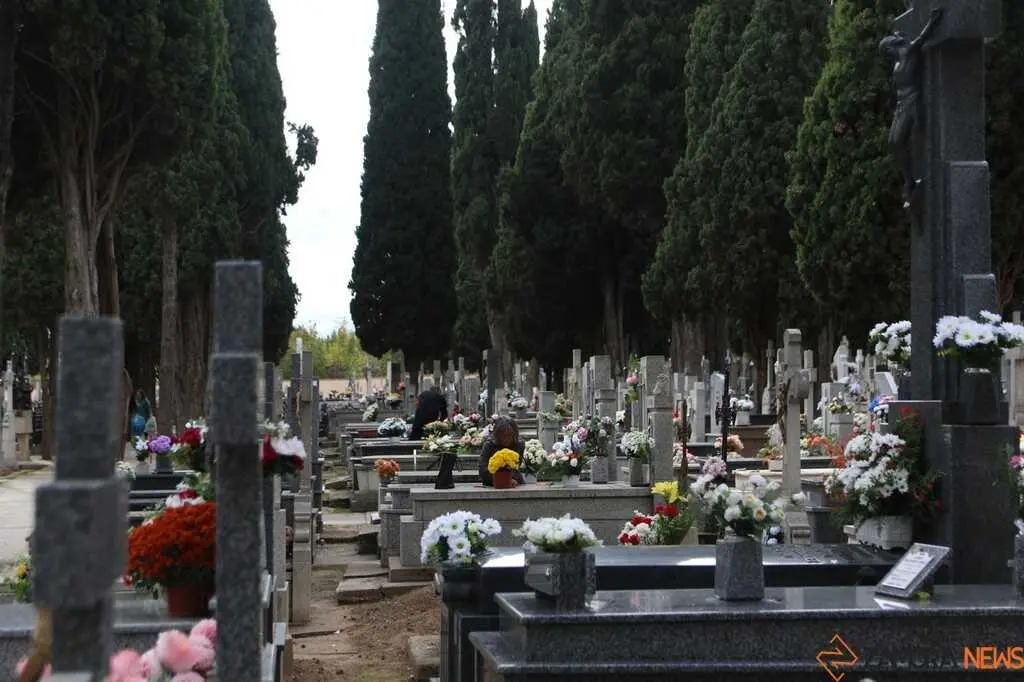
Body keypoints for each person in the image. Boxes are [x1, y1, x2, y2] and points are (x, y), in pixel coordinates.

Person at [478, 416, 525, 487]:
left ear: (514, 434)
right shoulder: (489, 445)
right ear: (497, 435)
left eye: (509, 435)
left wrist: (513, 479)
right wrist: (503, 480)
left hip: (514, 483)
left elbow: (516, 467)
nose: (506, 439)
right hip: (492, 482)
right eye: (502, 436)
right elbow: (482, 469)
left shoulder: (519, 445)